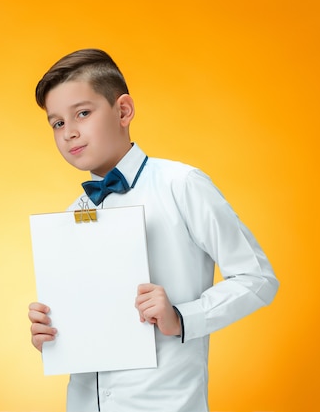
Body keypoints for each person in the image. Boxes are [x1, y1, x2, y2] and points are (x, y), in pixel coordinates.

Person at [27, 48, 279, 412]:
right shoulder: (74, 214)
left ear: (123, 111)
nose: (69, 133)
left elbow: (257, 279)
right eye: (57, 123)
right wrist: (53, 333)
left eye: (82, 113)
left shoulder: (182, 185)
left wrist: (180, 317)